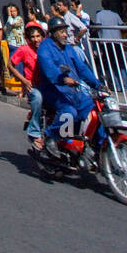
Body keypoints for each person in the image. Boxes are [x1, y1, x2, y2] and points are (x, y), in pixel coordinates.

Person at [35, 15, 104, 155]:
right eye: (62, 31)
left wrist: (98, 85)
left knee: (96, 112)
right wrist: (64, 79)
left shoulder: (68, 49)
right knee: (69, 112)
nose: (65, 34)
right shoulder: (45, 47)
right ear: (53, 33)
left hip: (73, 91)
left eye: (66, 31)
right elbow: (49, 70)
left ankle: (100, 146)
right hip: (53, 90)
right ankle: (50, 136)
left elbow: (82, 68)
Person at [8, 21, 45, 149]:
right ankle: (34, 132)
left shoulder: (46, 48)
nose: (36, 39)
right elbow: (10, 65)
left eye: (38, 36)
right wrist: (23, 81)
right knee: (38, 97)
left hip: (48, 85)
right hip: (33, 87)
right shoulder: (24, 50)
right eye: (32, 37)